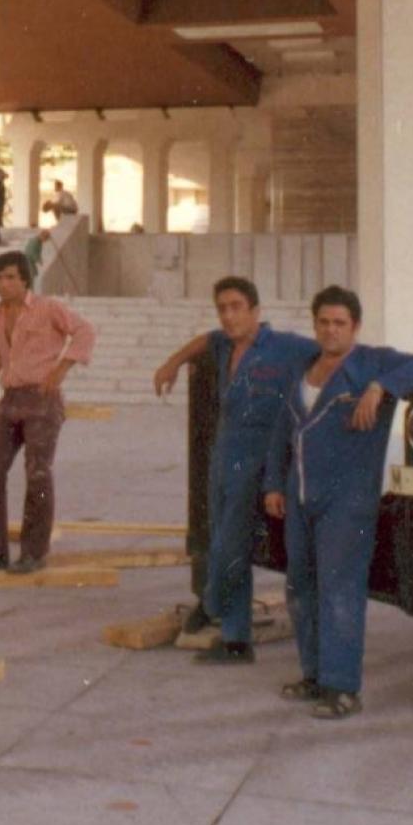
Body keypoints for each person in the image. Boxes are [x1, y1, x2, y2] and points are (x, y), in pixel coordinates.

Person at [264, 285, 413, 720]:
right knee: (301, 589)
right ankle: (314, 675)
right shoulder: (303, 370)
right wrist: (274, 484)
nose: (330, 330)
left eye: (339, 323)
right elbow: (281, 433)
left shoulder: (370, 363)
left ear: (355, 327)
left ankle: (342, 688)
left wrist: (381, 386)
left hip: (347, 503)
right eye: (323, 322)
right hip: (300, 496)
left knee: (340, 592)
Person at [153, 277, 318, 664]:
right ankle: (236, 640)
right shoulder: (224, 343)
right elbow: (204, 341)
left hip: (259, 463)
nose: (228, 316)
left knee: (230, 546)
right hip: (223, 459)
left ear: (256, 312)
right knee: (223, 545)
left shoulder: (286, 347)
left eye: (236, 307)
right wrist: (172, 363)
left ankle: (212, 607)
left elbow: (333, 353)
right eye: (222, 308)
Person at [0, 251, 96, 574]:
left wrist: (61, 370)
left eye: (10, 277)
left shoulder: (48, 308)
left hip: (42, 401)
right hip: (10, 399)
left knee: (38, 473)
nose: (3, 284)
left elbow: (85, 331)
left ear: (25, 279)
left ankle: (33, 553)